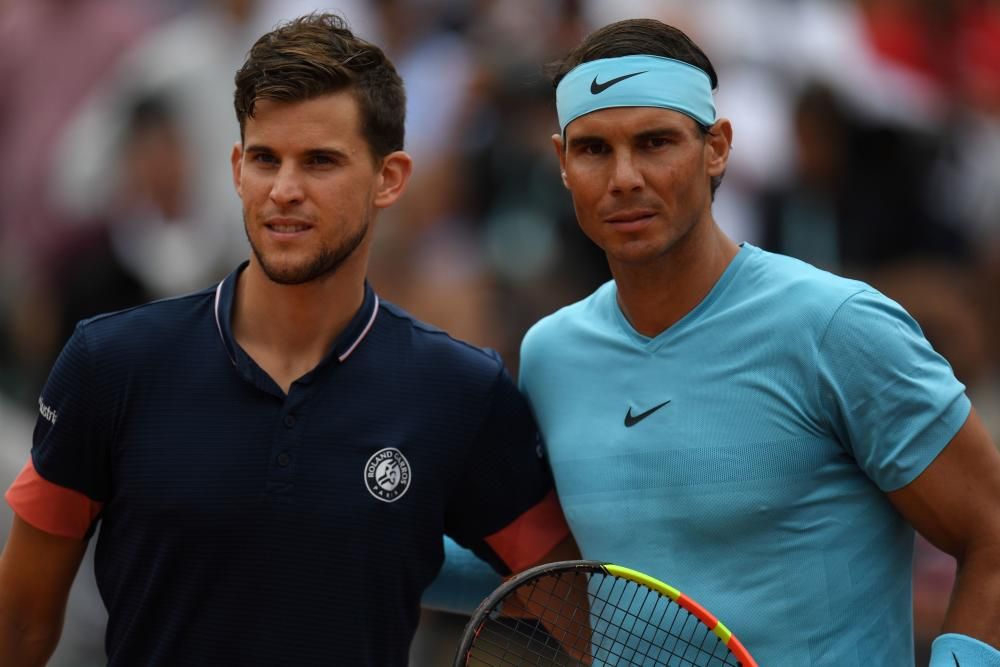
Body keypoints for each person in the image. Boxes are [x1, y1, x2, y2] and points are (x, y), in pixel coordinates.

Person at [0, 13, 577, 666]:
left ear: (389, 178)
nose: (284, 190)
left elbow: (585, 615)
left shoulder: (461, 393)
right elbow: (18, 625)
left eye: (321, 161)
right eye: (266, 159)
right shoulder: (109, 365)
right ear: (237, 168)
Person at [429, 17, 1000, 667]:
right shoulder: (549, 353)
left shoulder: (839, 327)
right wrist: (352, 534)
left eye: (655, 142)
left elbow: (991, 533)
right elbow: (551, 572)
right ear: (561, 163)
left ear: (717, 148)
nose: (624, 178)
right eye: (593, 150)